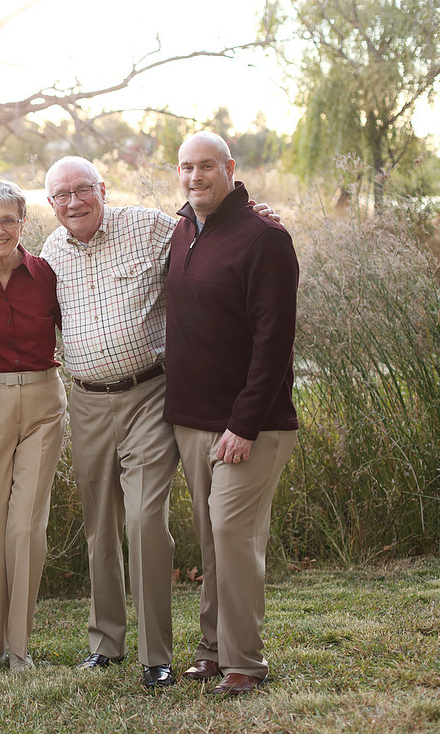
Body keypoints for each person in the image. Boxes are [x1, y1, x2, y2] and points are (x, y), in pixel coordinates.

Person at [39, 156, 182, 688]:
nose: (73, 202)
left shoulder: (148, 227)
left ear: (102, 188)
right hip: (87, 402)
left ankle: (155, 654)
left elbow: (207, 235)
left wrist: (253, 213)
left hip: (149, 394)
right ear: (50, 203)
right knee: (99, 523)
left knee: (145, 519)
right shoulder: (51, 252)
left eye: (83, 189)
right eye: (62, 195)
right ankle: (106, 642)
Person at [164, 132, 298, 696]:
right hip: (190, 419)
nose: (195, 177)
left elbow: (275, 342)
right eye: (186, 167)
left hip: (251, 425)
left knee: (233, 533)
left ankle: (245, 662)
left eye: (206, 166)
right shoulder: (181, 230)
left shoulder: (265, 238)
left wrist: (243, 424)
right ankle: (212, 651)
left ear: (229, 168)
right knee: (212, 538)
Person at [0, 178, 66, 673]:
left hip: (45, 401)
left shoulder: (48, 273)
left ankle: (19, 648)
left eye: (8, 219)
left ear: (23, 222)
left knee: (26, 524)